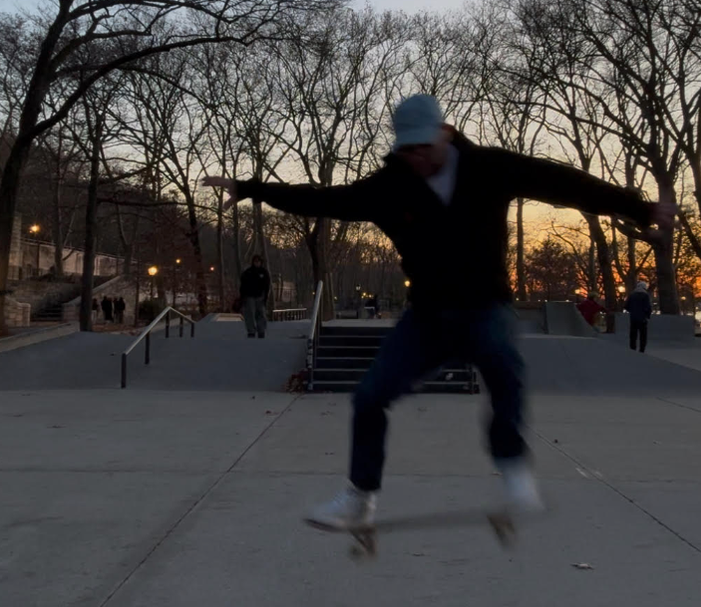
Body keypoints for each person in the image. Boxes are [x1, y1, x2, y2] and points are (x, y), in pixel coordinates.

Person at [203, 93, 675, 532]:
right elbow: (327, 198)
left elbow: (563, 183)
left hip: (485, 306)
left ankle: (514, 473)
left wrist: (639, 209)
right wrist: (251, 188)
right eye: (407, 151)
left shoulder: (489, 168)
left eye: (423, 148)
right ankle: (360, 497)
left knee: (504, 373)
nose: (417, 159)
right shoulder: (391, 186)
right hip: (426, 317)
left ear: (445, 133)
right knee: (369, 397)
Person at [240, 255, 270, 338]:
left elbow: (267, 285)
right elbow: (243, 285)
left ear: (261, 262)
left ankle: (261, 330)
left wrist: (265, 296)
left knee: (261, 314)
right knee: (249, 315)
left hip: (260, 296)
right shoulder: (248, 272)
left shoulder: (264, 272)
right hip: (249, 296)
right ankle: (251, 331)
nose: (257, 263)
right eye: (255, 261)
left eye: (258, 261)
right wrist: (242, 297)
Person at [625, 281, 652, 352]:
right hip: (643, 318)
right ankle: (642, 349)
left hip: (633, 318)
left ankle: (632, 348)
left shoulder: (632, 295)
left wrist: (632, 311)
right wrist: (648, 315)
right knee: (643, 335)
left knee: (633, 335)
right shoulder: (645, 295)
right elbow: (648, 307)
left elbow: (626, 306)